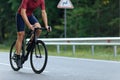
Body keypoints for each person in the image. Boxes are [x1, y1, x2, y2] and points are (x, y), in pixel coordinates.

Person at [14, 0, 50, 68]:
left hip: (30, 15)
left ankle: (30, 44)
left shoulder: (41, 0)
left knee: (38, 29)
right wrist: (29, 25)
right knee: (21, 34)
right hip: (21, 15)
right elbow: (23, 12)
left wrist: (46, 25)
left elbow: (43, 12)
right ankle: (17, 56)